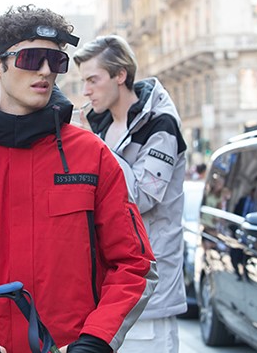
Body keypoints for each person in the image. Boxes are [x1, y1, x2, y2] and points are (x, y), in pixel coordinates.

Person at [0, 5, 157, 353]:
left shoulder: (92, 155)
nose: (46, 70)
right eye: (32, 58)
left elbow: (134, 263)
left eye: (57, 61)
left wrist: (96, 340)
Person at [73, 34, 187, 353]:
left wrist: (94, 147)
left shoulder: (161, 125)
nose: (86, 90)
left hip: (149, 295)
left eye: (93, 80)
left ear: (120, 75)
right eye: (83, 81)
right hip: (106, 294)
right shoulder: (101, 125)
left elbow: (142, 197)